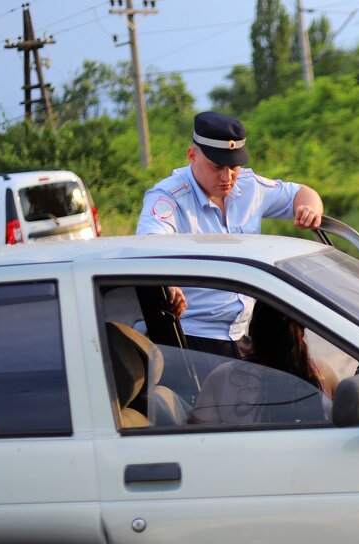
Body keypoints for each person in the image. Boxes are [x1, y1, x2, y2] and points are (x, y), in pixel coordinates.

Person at [136, 111, 325, 357]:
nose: (227, 177)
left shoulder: (249, 186)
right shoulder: (168, 197)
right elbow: (146, 247)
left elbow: (301, 192)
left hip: (243, 336)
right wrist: (167, 284)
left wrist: (309, 209)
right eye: (216, 167)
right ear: (192, 156)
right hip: (193, 341)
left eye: (234, 167)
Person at [190, 304, 337, 426]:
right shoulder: (321, 373)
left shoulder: (223, 376)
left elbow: (196, 440)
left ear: (251, 332)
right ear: (301, 333)